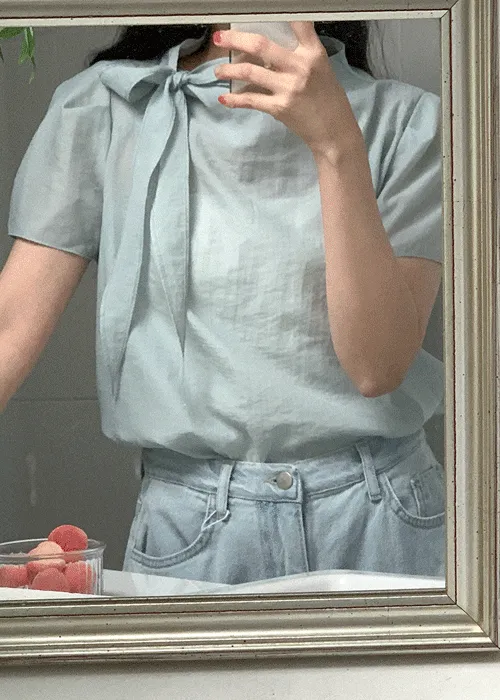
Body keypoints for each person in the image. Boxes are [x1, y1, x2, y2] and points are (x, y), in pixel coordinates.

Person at [0, 21, 445, 585]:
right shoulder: (108, 104)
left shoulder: (409, 120)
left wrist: (337, 144)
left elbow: (377, 367)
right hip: (193, 524)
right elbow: (10, 325)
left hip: (383, 516)